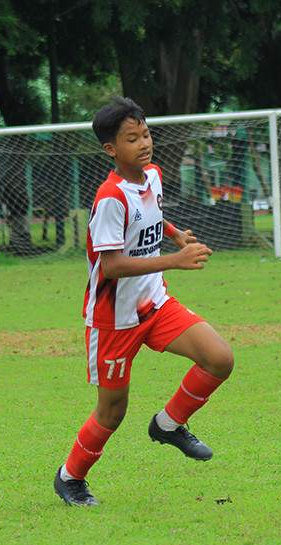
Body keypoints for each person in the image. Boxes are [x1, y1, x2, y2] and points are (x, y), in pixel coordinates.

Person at [53, 97, 235, 507]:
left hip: (155, 303)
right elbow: (113, 266)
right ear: (111, 150)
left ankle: (168, 425)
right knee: (112, 413)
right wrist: (177, 259)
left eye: (146, 134)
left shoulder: (152, 175)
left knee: (219, 359)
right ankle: (70, 478)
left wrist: (174, 235)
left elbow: (151, 213)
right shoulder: (109, 198)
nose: (144, 143)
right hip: (113, 320)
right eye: (131, 138)